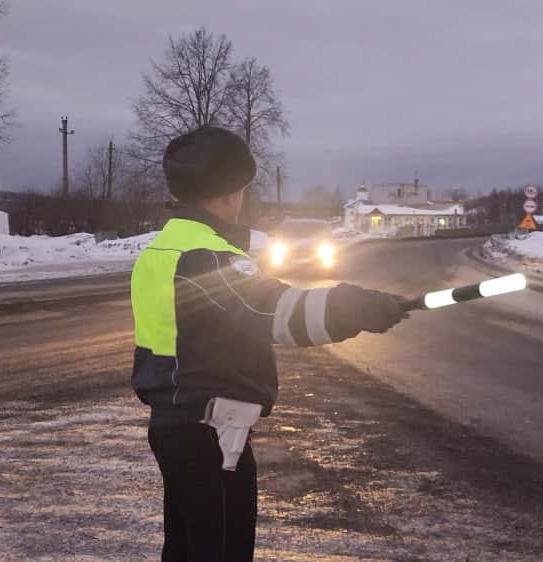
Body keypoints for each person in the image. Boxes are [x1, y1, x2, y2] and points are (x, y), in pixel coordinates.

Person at [130, 126, 409, 561]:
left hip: (179, 426)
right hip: (210, 431)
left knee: (187, 547)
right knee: (221, 550)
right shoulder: (208, 255)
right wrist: (359, 308)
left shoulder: (161, 250)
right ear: (230, 191)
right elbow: (277, 312)